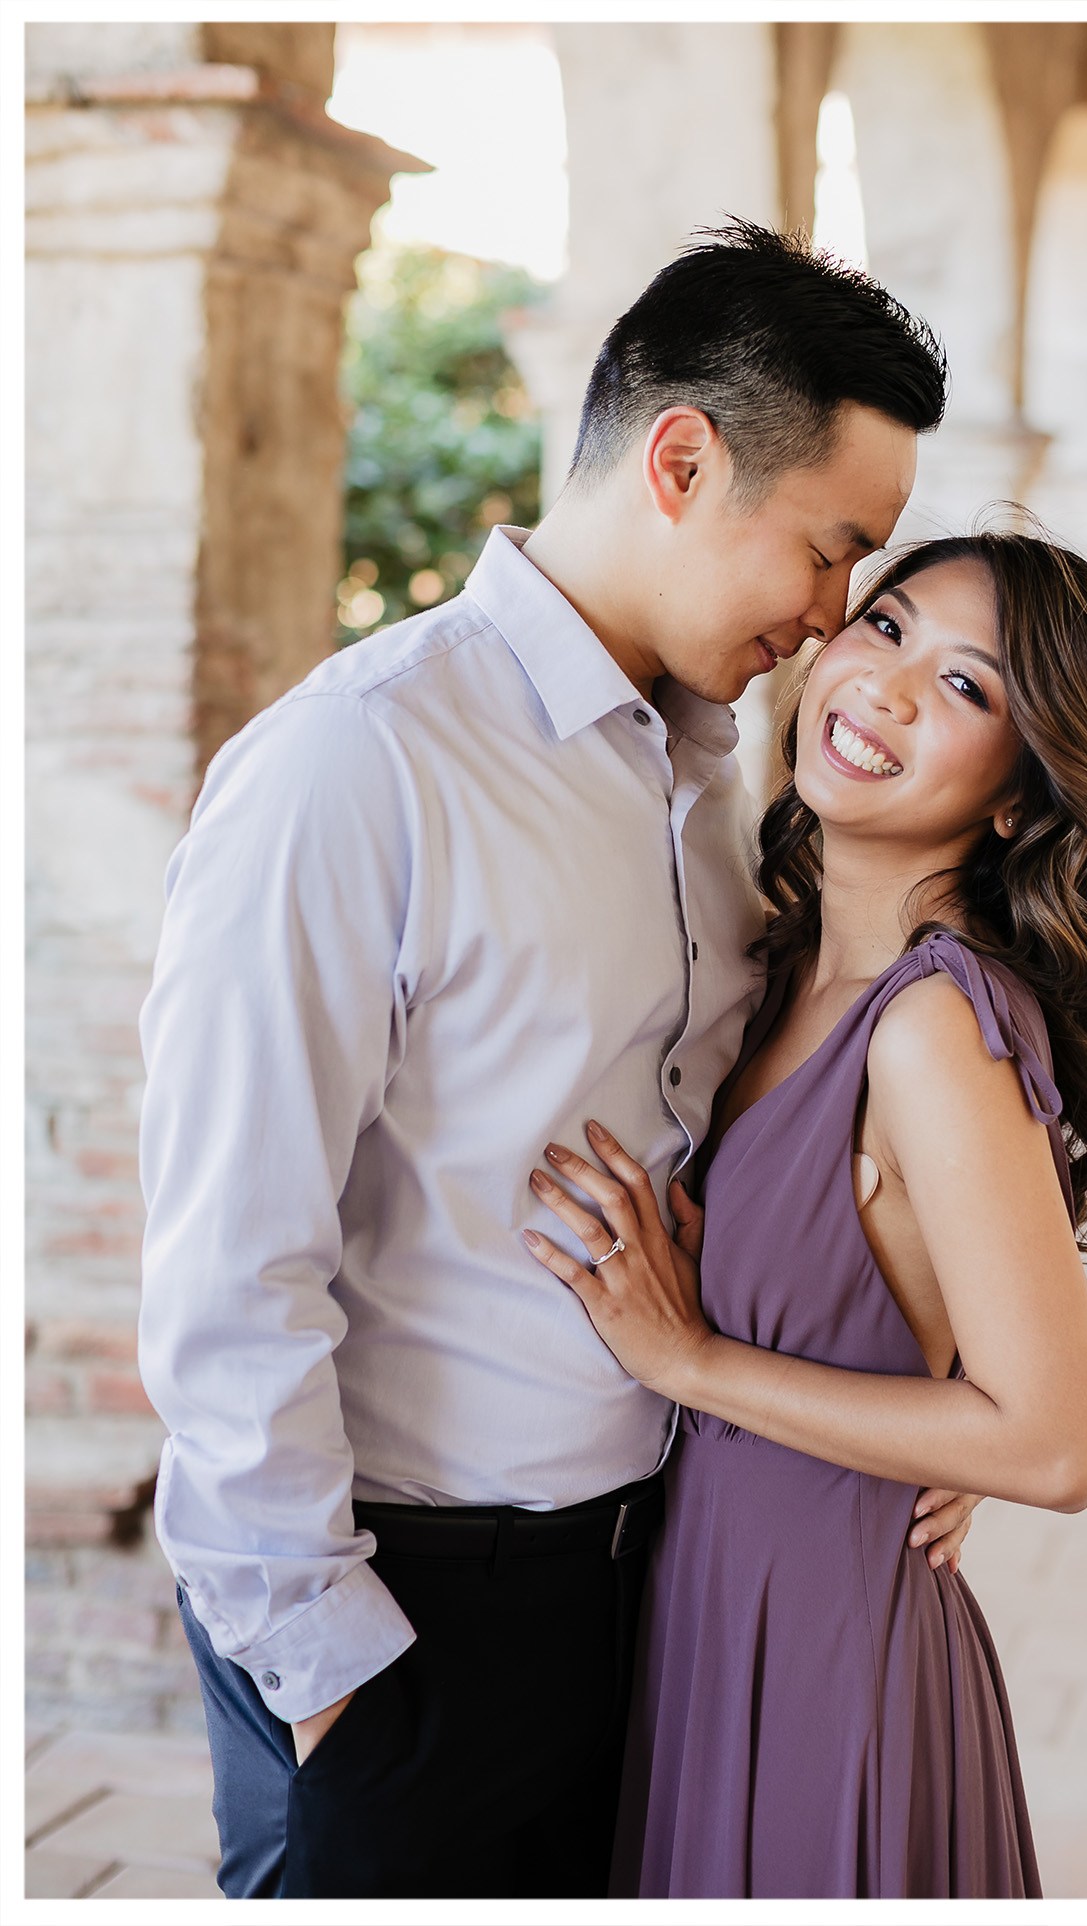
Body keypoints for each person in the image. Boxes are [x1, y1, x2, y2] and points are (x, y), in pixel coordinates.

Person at [138, 222, 975, 1898]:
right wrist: (339, 1690)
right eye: (830, 553)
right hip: (411, 1616)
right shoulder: (354, 767)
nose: (830, 623)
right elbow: (229, 1270)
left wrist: (930, 1404)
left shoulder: (715, 789)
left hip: (652, 1584)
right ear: (682, 460)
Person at [519, 529, 1087, 1897]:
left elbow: (1054, 1443)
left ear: (1018, 799)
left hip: (824, 1639)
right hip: (722, 1597)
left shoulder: (931, 1028)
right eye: (886, 628)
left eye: (970, 688)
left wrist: (691, 1358)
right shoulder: (785, 960)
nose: (891, 686)